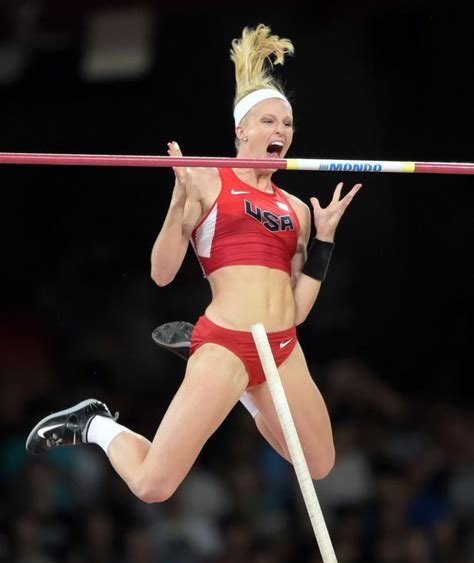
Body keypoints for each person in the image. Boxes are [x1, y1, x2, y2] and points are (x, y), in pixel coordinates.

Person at [26, 24, 362, 504]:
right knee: (152, 486)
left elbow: (299, 308)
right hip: (226, 343)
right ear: (241, 130)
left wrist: (324, 242)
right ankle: (95, 424)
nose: (281, 132)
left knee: (320, 463)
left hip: (281, 348)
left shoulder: (298, 209)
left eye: (286, 124)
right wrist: (178, 205)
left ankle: (247, 393)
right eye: (269, 121)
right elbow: (161, 273)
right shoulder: (208, 180)